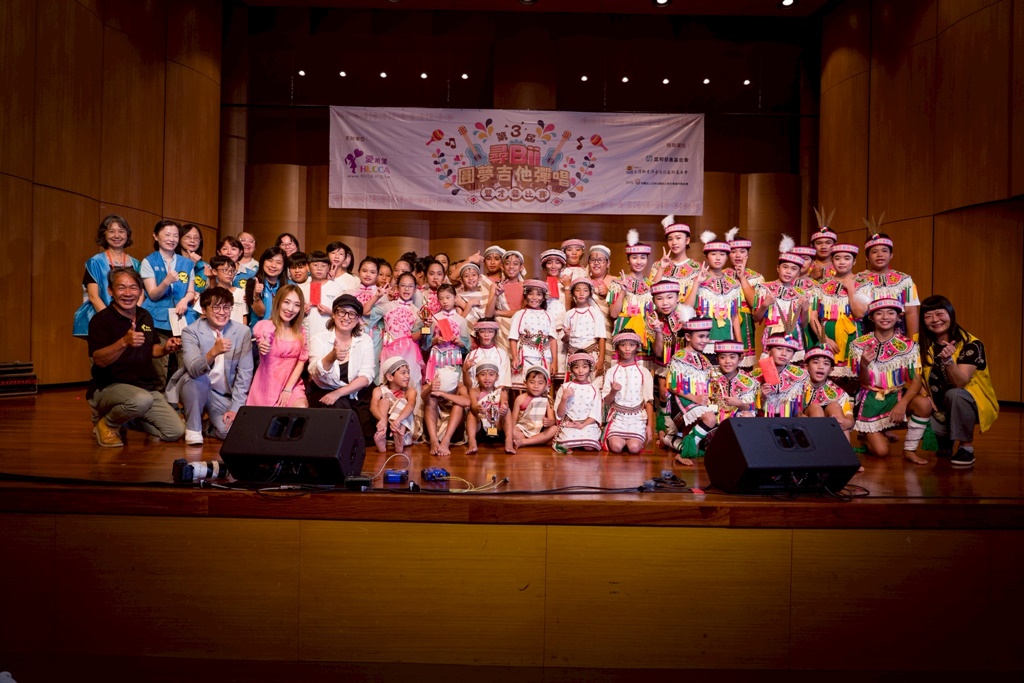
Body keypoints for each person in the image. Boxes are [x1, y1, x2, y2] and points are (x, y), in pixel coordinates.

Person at [87, 268, 185, 447]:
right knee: (141, 400)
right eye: (121, 288)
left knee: (175, 431)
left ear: (140, 291)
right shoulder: (101, 320)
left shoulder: (144, 316)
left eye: (133, 288)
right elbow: (99, 360)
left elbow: (151, 349)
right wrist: (124, 342)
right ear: (110, 290)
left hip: (143, 389)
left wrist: (165, 349)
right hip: (108, 387)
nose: (128, 293)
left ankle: (124, 418)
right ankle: (108, 423)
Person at [916, 295, 999, 468]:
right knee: (910, 399)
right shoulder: (919, 342)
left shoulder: (971, 344)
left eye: (940, 314)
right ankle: (945, 441)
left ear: (951, 314)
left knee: (956, 394)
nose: (935, 320)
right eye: (928, 316)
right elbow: (912, 375)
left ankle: (966, 447)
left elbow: (960, 383)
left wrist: (948, 362)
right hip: (937, 408)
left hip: (968, 403)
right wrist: (924, 395)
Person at [849, 298, 926, 462]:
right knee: (881, 451)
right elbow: (864, 383)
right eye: (879, 313)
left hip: (897, 396)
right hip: (871, 399)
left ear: (898, 317)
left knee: (924, 405)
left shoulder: (909, 346)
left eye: (891, 313)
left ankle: (909, 450)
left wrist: (902, 404)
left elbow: (917, 380)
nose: (885, 317)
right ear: (872, 317)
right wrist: (864, 365)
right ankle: (869, 434)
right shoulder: (858, 344)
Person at [179, 287, 254, 446]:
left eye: (226, 307)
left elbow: (245, 374)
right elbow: (193, 369)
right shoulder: (190, 332)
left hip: (221, 395)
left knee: (230, 431)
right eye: (216, 307)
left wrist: (235, 408)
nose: (222, 312)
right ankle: (193, 427)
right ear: (204, 310)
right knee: (193, 380)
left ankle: (208, 426)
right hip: (197, 387)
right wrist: (214, 352)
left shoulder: (243, 332)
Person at [307, 294, 377, 441]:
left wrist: (339, 392)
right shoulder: (319, 339)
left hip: (356, 391)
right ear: (333, 314)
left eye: (352, 313)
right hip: (325, 390)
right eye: (341, 312)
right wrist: (331, 356)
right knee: (339, 420)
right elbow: (314, 370)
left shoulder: (365, 340)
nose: (346, 317)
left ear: (358, 319)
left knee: (366, 434)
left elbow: (366, 376)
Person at [140, 220, 196, 384]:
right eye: (167, 234)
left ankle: (181, 397)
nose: (172, 239)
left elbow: (191, 291)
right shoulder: (149, 261)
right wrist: (166, 281)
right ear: (156, 236)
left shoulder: (187, 263)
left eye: (175, 235)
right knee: (160, 367)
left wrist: (185, 300)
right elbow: (153, 294)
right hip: (158, 320)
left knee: (184, 365)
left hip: (183, 319)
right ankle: (161, 397)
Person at [808, 242, 869, 378]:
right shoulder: (821, 286)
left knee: (851, 379)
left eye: (847, 258)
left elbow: (859, 313)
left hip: (852, 336)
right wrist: (824, 339)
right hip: (826, 336)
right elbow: (812, 317)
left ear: (854, 261)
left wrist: (851, 288)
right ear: (832, 260)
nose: (842, 262)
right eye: (837, 258)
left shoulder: (863, 284)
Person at [74, 215, 141, 337]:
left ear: (127, 234)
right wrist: (112, 321)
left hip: (131, 321)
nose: (117, 235)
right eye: (111, 231)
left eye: (121, 231)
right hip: (103, 320)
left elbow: (141, 294)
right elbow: (93, 296)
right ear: (104, 234)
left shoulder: (136, 264)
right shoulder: (95, 262)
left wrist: (133, 317)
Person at [664, 317, 717, 464]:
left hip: (697, 402)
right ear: (688, 337)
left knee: (696, 444)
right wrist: (696, 398)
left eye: (707, 336)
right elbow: (672, 386)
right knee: (710, 418)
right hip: (682, 401)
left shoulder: (704, 359)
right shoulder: (679, 357)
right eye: (701, 336)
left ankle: (672, 441)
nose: (705, 340)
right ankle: (682, 452)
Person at [246, 285, 309, 409]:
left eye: (296, 305)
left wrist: (288, 389)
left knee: (301, 408)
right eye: (287, 302)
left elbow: (301, 361)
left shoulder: (300, 331)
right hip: (268, 385)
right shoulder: (266, 326)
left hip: (292, 383)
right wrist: (263, 345)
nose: (291, 309)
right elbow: (263, 340)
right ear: (278, 302)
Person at [683, 232, 742, 356]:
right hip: (703, 343)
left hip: (727, 342)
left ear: (727, 257)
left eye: (722, 254)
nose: (718, 258)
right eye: (713, 254)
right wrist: (697, 283)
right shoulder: (697, 280)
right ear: (706, 257)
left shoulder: (734, 284)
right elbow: (686, 309)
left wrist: (739, 343)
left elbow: (735, 316)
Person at [753, 235, 810, 362]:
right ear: (778, 268)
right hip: (772, 333)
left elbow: (804, 324)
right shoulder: (765, 288)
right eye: (785, 267)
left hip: (794, 335)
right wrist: (765, 305)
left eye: (794, 269)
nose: (788, 271)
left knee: (793, 368)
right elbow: (756, 318)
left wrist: (805, 310)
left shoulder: (802, 293)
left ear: (798, 273)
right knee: (771, 366)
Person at [857, 227, 920, 338]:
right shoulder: (858, 280)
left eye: (884, 251)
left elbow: (911, 312)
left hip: (898, 335)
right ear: (867, 257)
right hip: (867, 334)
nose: (880, 254)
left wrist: (914, 341)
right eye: (874, 252)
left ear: (891, 255)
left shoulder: (905, 280)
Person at [602, 332, 655, 454]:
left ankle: (634, 438)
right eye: (623, 345)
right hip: (618, 417)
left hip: (637, 418)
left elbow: (649, 401)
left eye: (631, 345)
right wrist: (613, 391)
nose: (627, 349)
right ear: (617, 347)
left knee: (634, 448)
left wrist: (649, 426)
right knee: (616, 447)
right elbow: (607, 402)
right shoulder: (611, 372)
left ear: (637, 347)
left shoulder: (644, 372)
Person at [608, 231, 653, 365]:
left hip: (645, 339)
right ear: (628, 260)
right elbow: (613, 314)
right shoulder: (617, 283)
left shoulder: (651, 286)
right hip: (624, 340)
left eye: (643, 257)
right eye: (634, 257)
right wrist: (623, 291)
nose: (639, 261)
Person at [724, 228, 763, 369]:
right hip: (725, 321)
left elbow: (754, 303)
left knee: (745, 367)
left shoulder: (756, 277)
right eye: (733, 251)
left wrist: (742, 278)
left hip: (746, 324)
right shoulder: (722, 276)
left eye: (742, 251)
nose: (738, 255)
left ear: (748, 254)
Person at [509, 279, 558, 390]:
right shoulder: (519, 314)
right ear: (525, 295)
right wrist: (515, 357)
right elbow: (513, 337)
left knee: (541, 388)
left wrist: (554, 361)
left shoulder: (548, 315)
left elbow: (552, 339)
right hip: (525, 357)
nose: (534, 297)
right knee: (524, 387)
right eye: (530, 293)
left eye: (538, 294)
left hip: (544, 357)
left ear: (544, 297)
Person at [553, 353, 603, 453]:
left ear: (590, 368)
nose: (580, 371)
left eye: (584, 367)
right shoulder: (565, 387)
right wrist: (564, 398)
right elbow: (560, 414)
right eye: (576, 367)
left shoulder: (594, 389)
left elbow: (595, 414)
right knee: (566, 445)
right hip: (570, 425)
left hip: (588, 425)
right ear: (571, 369)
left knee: (589, 447)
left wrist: (582, 425)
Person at [750, 334, 808, 418]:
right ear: (768, 351)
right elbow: (751, 410)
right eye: (779, 348)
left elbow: (801, 407)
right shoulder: (753, 377)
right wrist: (762, 397)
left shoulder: (801, 376)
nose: (784, 354)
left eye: (789, 350)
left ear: (793, 355)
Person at [563, 278, 607, 383]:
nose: (581, 293)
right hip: (573, 355)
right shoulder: (569, 314)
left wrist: (601, 360)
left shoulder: (595, 312)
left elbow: (601, 337)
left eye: (585, 290)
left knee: (594, 384)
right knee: (574, 385)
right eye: (578, 290)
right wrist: (567, 335)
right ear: (572, 293)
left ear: (590, 293)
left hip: (591, 353)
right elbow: (565, 340)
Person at [371, 357, 417, 455]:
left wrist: (398, 420)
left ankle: (399, 438)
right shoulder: (379, 390)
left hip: (402, 427)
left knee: (403, 402)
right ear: (390, 377)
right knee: (383, 402)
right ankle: (382, 435)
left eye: (408, 372)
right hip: (386, 426)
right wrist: (382, 419)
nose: (408, 376)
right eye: (403, 373)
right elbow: (373, 406)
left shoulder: (410, 391)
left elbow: (411, 405)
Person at [466, 362, 514, 454]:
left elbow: (504, 402)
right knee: (471, 413)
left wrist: (504, 408)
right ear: (477, 377)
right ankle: (472, 442)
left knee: (507, 411)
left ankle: (509, 441)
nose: (487, 378)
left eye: (491, 375)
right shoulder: (474, 391)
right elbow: (473, 405)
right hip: (481, 429)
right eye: (483, 374)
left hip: (497, 426)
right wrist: (478, 408)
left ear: (497, 377)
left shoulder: (501, 391)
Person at [510, 366, 558, 451]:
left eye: (540, 383)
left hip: (540, 431)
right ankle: (537, 441)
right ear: (525, 383)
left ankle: (524, 442)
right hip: (523, 430)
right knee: (512, 431)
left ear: (546, 385)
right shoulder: (520, 398)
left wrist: (548, 422)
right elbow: (513, 419)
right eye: (532, 382)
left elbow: (552, 420)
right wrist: (511, 431)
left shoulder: (548, 399)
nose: (536, 386)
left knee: (554, 429)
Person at [707, 340, 758, 422]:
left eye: (732, 357)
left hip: (736, 418)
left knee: (747, 416)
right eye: (722, 357)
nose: (727, 361)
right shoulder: (709, 374)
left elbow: (750, 407)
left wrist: (739, 404)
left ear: (740, 359)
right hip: (712, 416)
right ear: (717, 359)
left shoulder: (747, 381)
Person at [650, 215, 700, 294]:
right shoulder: (657, 266)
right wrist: (661, 269)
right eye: (670, 239)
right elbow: (650, 293)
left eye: (678, 238)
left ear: (687, 240)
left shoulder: (697, 268)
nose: (674, 243)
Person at [244, 246, 287, 329]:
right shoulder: (252, 282)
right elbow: (260, 313)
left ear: (284, 266)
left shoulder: (289, 285)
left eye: (278, 262)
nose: (273, 265)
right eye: (270, 260)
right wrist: (256, 296)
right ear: (263, 261)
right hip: (258, 332)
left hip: (282, 331)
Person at [178, 223, 209, 297]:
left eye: (196, 238)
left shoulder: (205, 266)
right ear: (179, 239)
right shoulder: (173, 262)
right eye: (188, 237)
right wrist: (191, 264)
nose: (192, 240)